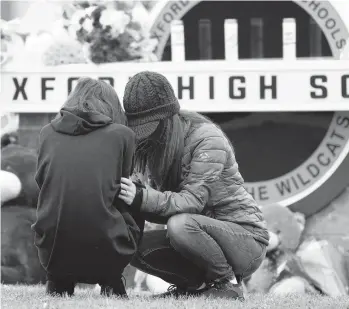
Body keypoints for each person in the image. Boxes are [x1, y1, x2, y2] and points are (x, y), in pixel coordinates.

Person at [118, 71, 270, 300]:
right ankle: (196, 288)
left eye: (149, 126)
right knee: (132, 244)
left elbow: (192, 203)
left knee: (180, 225)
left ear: (167, 117)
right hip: (195, 232)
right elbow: (163, 212)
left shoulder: (207, 139)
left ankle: (227, 285)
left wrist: (141, 197)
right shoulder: (155, 146)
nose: (144, 136)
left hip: (245, 240)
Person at [32, 77, 143, 298]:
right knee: (134, 193)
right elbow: (120, 189)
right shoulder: (122, 135)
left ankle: (58, 281)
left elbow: (43, 183)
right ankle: (111, 280)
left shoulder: (46, 133)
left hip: (53, 251)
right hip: (108, 249)